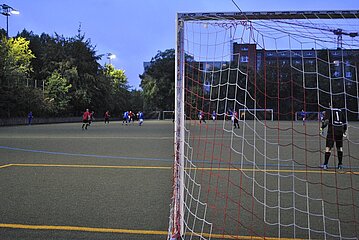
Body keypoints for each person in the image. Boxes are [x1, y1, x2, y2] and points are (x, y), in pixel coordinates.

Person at [320, 103, 347, 170]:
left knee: (328, 148)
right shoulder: (340, 111)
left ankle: (325, 164)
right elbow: (344, 122)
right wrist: (344, 131)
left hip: (332, 131)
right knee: (339, 148)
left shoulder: (329, 110)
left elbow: (326, 121)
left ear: (330, 104)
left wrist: (322, 127)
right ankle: (340, 164)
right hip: (340, 130)